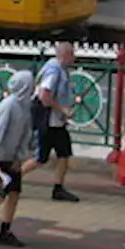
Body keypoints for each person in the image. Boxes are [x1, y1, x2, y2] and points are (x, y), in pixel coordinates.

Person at [0, 70, 37, 247]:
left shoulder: (25, 106)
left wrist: (20, 157)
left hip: (11, 158)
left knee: (14, 193)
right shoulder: (9, 106)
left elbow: (25, 133)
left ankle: (5, 230)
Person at [34, 43, 80, 203]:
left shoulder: (56, 68)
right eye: (72, 54)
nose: (74, 57)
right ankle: (11, 178)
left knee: (63, 153)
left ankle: (58, 188)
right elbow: (44, 95)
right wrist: (63, 110)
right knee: (41, 158)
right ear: (65, 55)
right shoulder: (54, 72)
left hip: (56, 122)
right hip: (51, 121)